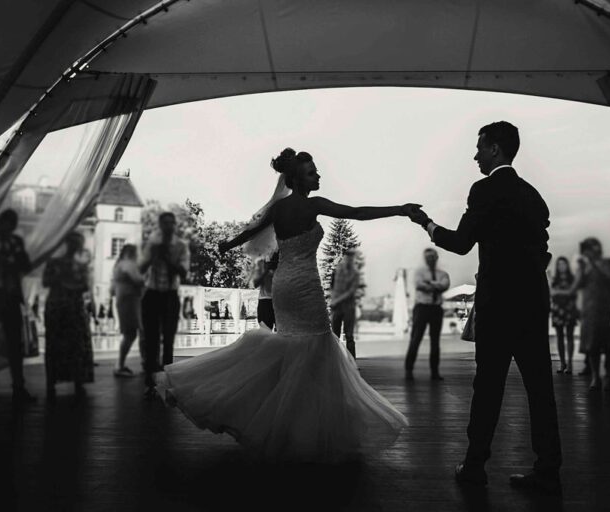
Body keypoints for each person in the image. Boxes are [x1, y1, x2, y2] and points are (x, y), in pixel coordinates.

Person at [155, 148, 412, 463]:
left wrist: (226, 244)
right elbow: (357, 212)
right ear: (296, 178)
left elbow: (250, 233)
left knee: (293, 347)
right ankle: (304, 427)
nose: (317, 175)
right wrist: (400, 209)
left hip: (282, 286)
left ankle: (277, 417)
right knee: (316, 348)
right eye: (311, 172)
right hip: (305, 284)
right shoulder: (313, 204)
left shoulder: (278, 209)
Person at [409, 122, 562, 494]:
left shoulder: (484, 189)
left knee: (488, 386)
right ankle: (548, 469)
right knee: (540, 388)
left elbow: (461, 243)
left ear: (495, 149)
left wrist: (426, 223)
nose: (475, 155)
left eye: (479, 148)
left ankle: (475, 464)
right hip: (532, 302)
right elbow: (541, 246)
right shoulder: (533, 195)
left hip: (498, 305)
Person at [0, 209, 36, 406]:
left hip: (11, 297)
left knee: (15, 344)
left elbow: (27, 266)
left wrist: (16, 258)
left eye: (12, 227)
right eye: (7, 225)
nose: (9, 230)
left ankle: (18, 388)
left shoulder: (16, 242)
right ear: (0, 223)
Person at [139, 212, 190, 400]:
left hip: (170, 295)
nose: (168, 226)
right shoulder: (152, 243)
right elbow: (141, 268)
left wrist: (167, 259)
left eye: (171, 223)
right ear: (160, 225)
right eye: (165, 223)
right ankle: (150, 382)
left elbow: (184, 272)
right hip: (152, 294)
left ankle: (167, 382)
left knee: (168, 340)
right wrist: (152, 255)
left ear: (174, 225)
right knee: (151, 341)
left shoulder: (181, 246)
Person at [43, 232, 95, 401]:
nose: (76, 246)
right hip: (64, 307)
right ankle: (63, 384)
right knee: (66, 344)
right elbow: (46, 281)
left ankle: (70, 383)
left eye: (77, 243)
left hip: (66, 307)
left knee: (71, 345)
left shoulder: (77, 265)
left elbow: (85, 286)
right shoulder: (62, 264)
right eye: (74, 243)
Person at [568, 239, 610, 391]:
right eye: (590, 248)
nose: (594, 250)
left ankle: (609, 375)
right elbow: (576, 286)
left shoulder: (608, 262)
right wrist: (581, 269)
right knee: (592, 344)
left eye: (594, 247)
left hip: (607, 308)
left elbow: (609, 276)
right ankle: (595, 376)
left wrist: (593, 262)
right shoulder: (583, 266)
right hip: (590, 309)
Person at [404, 248, 450, 381]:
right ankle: (409, 369)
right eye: (428, 257)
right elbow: (419, 285)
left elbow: (445, 285)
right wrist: (437, 285)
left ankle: (434, 372)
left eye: (432, 257)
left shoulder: (442, 273)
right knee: (416, 338)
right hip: (421, 308)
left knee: (435, 341)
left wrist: (429, 284)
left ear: (436, 258)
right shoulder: (419, 272)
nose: (430, 259)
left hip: (436, 308)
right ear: (425, 259)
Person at [110, 244, 144, 377]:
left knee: (130, 333)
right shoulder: (128, 264)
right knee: (131, 333)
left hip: (123, 299)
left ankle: (120, 364)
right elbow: (138, 280)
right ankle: (120, 365)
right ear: (131, 253)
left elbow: (112, 289)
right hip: (129, 300)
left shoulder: (118, 265)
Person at [330, 248, 361, 358]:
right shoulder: (337, 270)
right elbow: (333, 287)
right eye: (347, 257)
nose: (349, 259)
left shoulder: (355, 273)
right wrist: (333, 301)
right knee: (335, 335)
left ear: (353, 259)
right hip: (337, 307)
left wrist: (336, 301)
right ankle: (335, 360)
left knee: (349, 336)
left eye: (351, 257)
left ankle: (352, 363)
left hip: (348, 307)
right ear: (344, 257)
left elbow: (351, 291)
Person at [549, 257, 578, 374]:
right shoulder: (554, 279)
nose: (562, 266)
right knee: (559, 336)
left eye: (564, 264)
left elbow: (572, 292)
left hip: (569, 309)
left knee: (570, 336)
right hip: (557, 309)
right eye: (559, 264)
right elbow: (552, 293)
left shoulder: (572, 278)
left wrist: (558, 292)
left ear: (567, 265)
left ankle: (570, 363)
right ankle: (562, 362)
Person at [251, 253, 278, 329]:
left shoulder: (280, 271)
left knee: (280, 330)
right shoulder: (262, 271)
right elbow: (255, 284)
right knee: (265, 329)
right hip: (265, 301)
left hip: (277, 301)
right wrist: (265, 271)